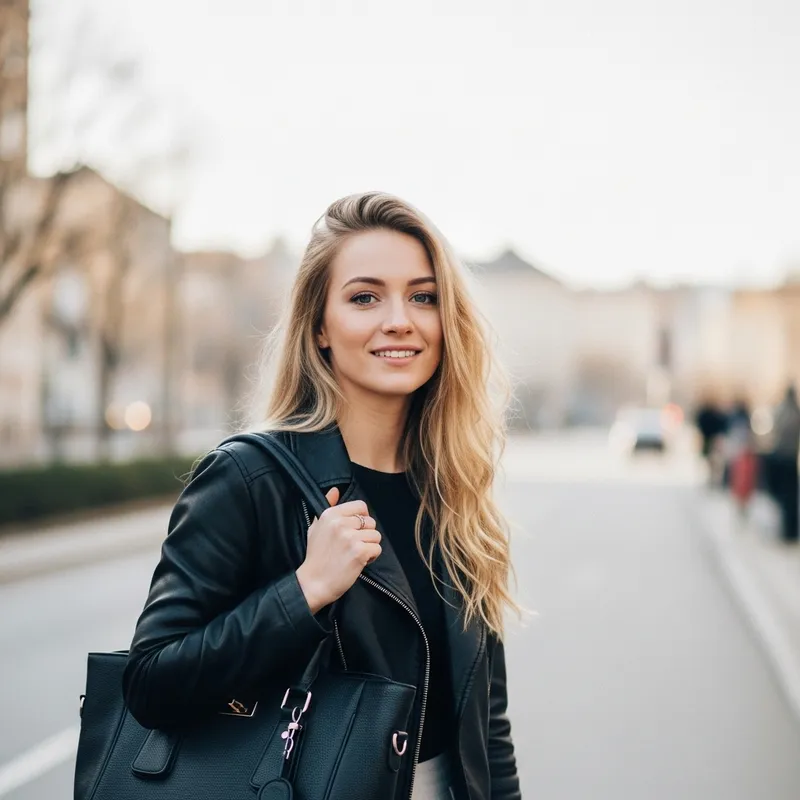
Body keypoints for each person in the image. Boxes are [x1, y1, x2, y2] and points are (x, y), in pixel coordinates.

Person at [122, 192, 522, 800]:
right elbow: (151, 682)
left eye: (423, 296)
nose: (399, 320)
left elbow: (487, 730)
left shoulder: (456, 494)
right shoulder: (250, 479)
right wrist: (304, 591)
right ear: (319, 326)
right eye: (365, 297)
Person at [770, 385, 800, 542]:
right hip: (790, 459)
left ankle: (787, 531)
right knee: (791, 498)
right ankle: (790, 531)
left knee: (785, 498)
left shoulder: (782, 411)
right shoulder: (795, 412)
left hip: (782, 457)